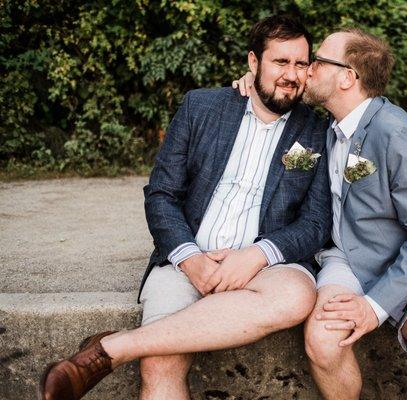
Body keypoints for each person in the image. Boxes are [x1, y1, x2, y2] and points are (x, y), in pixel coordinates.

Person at [38, 15, 331, 400]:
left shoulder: (319, 130)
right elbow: (161, 194)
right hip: (185, 258)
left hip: (267, 268)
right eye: (280, 62)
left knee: (296, 296)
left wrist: (257, 255)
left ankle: (112, 348)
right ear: (253, 63)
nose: (291, 75)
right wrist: (191, 258)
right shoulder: (202, 107)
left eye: (300, 64)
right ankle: (133, 345)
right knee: (160, 363)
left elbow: (315, 222)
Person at [234, 28, 407, 400]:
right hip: (346, 259)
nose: (307, 70)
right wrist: (252, 80)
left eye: (317, 62)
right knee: (324, 341)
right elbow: (277, 105)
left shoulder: (397, 134)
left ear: (348, 77)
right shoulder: (328, 125)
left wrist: (374, 307)